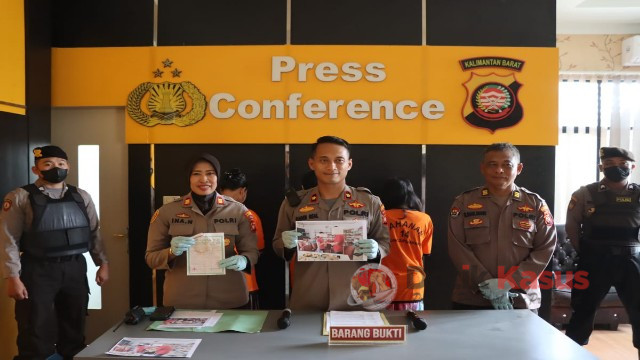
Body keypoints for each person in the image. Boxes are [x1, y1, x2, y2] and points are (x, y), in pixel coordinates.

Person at [0, 145, 109, 360]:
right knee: (35, 327)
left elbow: (94, 232)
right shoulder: (20, 197)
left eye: (60, 164)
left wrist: (102, 263)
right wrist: (12, 276)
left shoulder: (81, 196)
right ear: (36, 169)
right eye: (47, 164)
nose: (55, 168)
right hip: (37, 269)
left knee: (74, 325)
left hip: (74, 267)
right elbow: (8, 239)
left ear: (68, 166)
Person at [273, 135, 390, 310]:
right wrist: (286, 243)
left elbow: (384, 242)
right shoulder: (294, 203)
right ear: (312, 163)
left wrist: (377, 249)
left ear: (349, 164)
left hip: (356, 298)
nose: (331, 166)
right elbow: (277, 244)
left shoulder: (370, 202)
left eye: (339, 160)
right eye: (324, 160)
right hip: (308, 298)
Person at [448, 142, 557, 311]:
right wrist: (485, 283)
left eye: (507, 165)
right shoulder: (464, 203)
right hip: (472, 298)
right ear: (482, 168)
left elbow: (545, 248)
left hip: (522, 299)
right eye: (493, 165)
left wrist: (510, 282)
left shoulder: (535, 204)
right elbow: (458, 249)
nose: (499, 170)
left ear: (519, 168)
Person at [145, 153, 258, 309]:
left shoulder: (238, 211)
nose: (204, 179)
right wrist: (171, 251)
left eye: (210, 173)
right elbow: (151, 258)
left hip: (229, 299)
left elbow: (252, 252)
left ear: (217, 177)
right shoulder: (167, 212)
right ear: (188, 178)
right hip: (182, 300)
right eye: (196, 174)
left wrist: (244, 260)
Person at [565, 147, 640, 354]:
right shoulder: (584, 193)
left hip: (632, 262)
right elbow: (572, 226)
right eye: (609, 164)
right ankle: (572, 354)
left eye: (623, 164)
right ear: (601, 167)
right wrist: (588, 253)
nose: (616, 167)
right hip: (595, 262)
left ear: (632, 166)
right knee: (582, 313)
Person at [380, 177, 433, 311]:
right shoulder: (425, 219)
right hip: (414, 282)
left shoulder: (381, 217)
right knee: (412, 327)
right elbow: (425, 252)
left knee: (385, 329)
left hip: (383, 281)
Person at [219, 168, 264, 309]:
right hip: (245, 284)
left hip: (214, 287)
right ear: (242, 191)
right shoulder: (250, 216)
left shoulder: (208, 215)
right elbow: (258, 251)